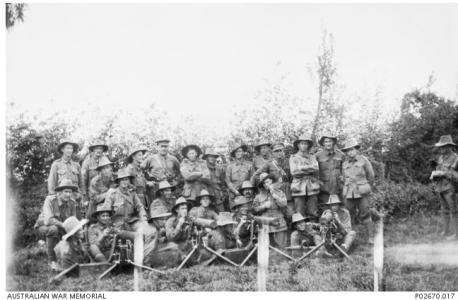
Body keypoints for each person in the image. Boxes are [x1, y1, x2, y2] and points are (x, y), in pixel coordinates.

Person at [104, 168, 157, 257]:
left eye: (127, 179)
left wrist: (143, 218)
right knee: (137, 236)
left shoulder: (132, 193)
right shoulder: (112, 194)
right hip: (118, 224)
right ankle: (138, 259)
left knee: (150, 231)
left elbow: (140, 206)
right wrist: (109, 226)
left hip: (131, 221)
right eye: (122, 179)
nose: (125, 181)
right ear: (118, 181)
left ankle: (145, 257)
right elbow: (106, 212)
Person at [35, 179, 79, 271]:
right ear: (59, 192)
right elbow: (48, 220)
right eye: (65, 192)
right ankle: (52, 261)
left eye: (70, 192)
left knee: (74, 233)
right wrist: (64, 225)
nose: (68, 194)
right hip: (43, 227)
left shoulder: (72, 203)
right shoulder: (50, 200)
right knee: (53, 229)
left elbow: (73, 220)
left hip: (61, 228)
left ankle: (70, 258)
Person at [341, 139, 376, 244]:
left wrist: (365, 186)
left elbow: (371, 176)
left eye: (352, 150)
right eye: (348, 151)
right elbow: (344, 178)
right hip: (349, 193)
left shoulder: (364, 160)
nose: (350, 152)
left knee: (365, 214)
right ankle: (350, 238)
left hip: (362, 192)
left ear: (356, 150)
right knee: (348, 215)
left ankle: (371, 237)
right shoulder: (344, 164)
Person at [252, 142, 293, 222]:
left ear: (283, 151)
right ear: (272, 153)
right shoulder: (269, 164)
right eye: (276, 151)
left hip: (288, 191)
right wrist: (266, 183)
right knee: (278, 213)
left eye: (281, 150)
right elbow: (256, 175)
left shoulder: (289, 161)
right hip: (275, 192)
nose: (279, 153)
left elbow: (292, 176)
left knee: (290, 213)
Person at [430, 135, 458, 240]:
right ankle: (446, 231)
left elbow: (454, 173)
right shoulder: (441, 158)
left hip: (449, 187)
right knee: (444, 210)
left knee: (454, 210)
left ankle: (457, 234)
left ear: (449, 146)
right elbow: (439, 169)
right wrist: (434, 173)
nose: (440, 149)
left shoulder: (455, 158)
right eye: (440, 147)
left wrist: (441, 173)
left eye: (442, 147)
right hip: (440, 187)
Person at [47, 139, 83, 217]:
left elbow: (81, 183)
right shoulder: (56, 164)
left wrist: (82, 197)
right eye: (67, 148)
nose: (70, 150)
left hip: (75, 198)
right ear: (62, 149)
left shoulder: (76, 165)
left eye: (71, 148)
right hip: (62, 199)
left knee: (76, 222)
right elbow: (52, 183)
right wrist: (54, 199)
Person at [252, 173, 288, 248]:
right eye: (264, 183)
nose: (266, 184)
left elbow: (284, 204)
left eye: (267, 182)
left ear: (272, 181)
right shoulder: (258, 196)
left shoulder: (280, 193)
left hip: (279, 222)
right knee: (268, 247)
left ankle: (283, 259)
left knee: (281, 246)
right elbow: (254, 210)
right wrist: (263, 206)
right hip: (265, 223)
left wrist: (274, 194)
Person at [289, 135, 320, 219]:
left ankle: (313, 227)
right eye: (302, 143)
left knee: (313, 210)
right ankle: (300, 228)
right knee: (299, 211)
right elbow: (294, 172)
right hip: (298, 186)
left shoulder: (312, 157)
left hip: (312, 185)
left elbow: (316, 168)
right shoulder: (293, 157)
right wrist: (309, 168)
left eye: (306, 144)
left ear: (308, 145)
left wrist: (301, 168)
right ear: (298, 145)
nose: (304, 145)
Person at [145, 202, 182, 268]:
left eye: (165, 219)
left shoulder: (156, 228)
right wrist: (147, 266)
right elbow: (148, 251)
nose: (165, 222)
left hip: (153, 253)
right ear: (154, 220)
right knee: (174, 248)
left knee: (173, 246)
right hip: (149, 258)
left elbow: (159, 240)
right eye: (162, 219)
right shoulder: (152, 231)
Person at [315, 134, 344, 205]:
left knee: (342, 208)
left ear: (333, 142)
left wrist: (343, 178)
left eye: (330, 141)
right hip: (324, 188)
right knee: (326, 209)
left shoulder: (341, 155)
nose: (328, 143)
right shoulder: (317, 155)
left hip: (339, 187)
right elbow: (314, 172)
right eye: (326, 142)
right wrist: (318, 182)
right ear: (323, 144)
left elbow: (345, 169)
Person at [86, 156, 115, 222]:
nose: (106, 170)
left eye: (108, 167)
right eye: (103, 168)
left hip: (110, 211)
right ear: (100, 171)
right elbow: (94, 199)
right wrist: (108, 193)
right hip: (95, 212)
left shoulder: (115, 179)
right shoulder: (95, 181)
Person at [225, 144, 255, 209]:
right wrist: (235, 191)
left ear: (243, 152)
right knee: (236, 214)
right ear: (234, 154)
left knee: (247, 212)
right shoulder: (230, 166)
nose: (239, 153)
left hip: (247, 193)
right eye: (237, 152)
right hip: (234, 194)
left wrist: (248, 191)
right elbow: (228, 181)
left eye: (240, 151)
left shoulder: (249, 165)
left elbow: (253, 179)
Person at [81, 141, 108, 206]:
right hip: (92, 196)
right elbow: (83, 181)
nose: (99, 150)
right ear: (93, 150)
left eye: (100, 148)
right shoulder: (87, 162)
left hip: (105, 194)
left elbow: (111, 178)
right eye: (97, 148)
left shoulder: (106, 161)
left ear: (103, 150)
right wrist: (85, 197)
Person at [203, 148, 228, 212]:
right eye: (210, 156)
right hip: (206, 195)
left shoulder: (219, 169)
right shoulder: (203, 168)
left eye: (213, 156)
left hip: (218, 196)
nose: (212, 158)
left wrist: (224, 193)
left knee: (222, 214)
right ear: (206, 158)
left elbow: (223, 183)